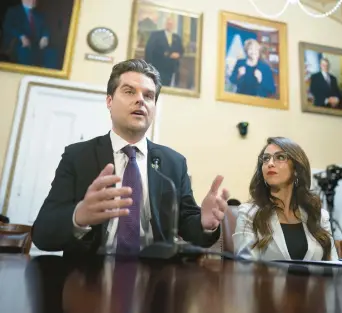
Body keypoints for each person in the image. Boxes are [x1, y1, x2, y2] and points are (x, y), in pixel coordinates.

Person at [31, 59, 229, 256]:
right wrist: (79, 216)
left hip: (156, 276)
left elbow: (188, 224)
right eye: (129, 91)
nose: (141, 100)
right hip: (88, 276)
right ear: (109, 101)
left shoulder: (174, 163)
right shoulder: (77, 156)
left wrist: (205, 223)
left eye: (149, 96)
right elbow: (42, 234)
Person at [233, 137, 338, 261]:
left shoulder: (319, 216)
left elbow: (335, 267)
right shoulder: (249, 213)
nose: (270, 163)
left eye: (280, 157)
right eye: (266, 158)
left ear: (296, 169)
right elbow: (245, 270)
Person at [1, 0, 57, 68]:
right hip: (17, 43)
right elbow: (8, 26)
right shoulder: (13, 11)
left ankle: (49, 75)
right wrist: (21, 36)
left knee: (52, 52)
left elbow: (45, 28)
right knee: (25, 51)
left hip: (36, 45)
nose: (34, 1)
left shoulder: (39, 14)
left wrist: (45, 37)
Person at [144, 16, 184, 87]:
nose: (170, 25)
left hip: (172, 70)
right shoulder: (156, 35)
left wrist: (178, 55)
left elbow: (181, 51)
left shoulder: (177, 37)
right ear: (165, 24)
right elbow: (149, 50)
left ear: (174, 25)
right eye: (168, 23)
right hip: (158, 68)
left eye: (172, 24)